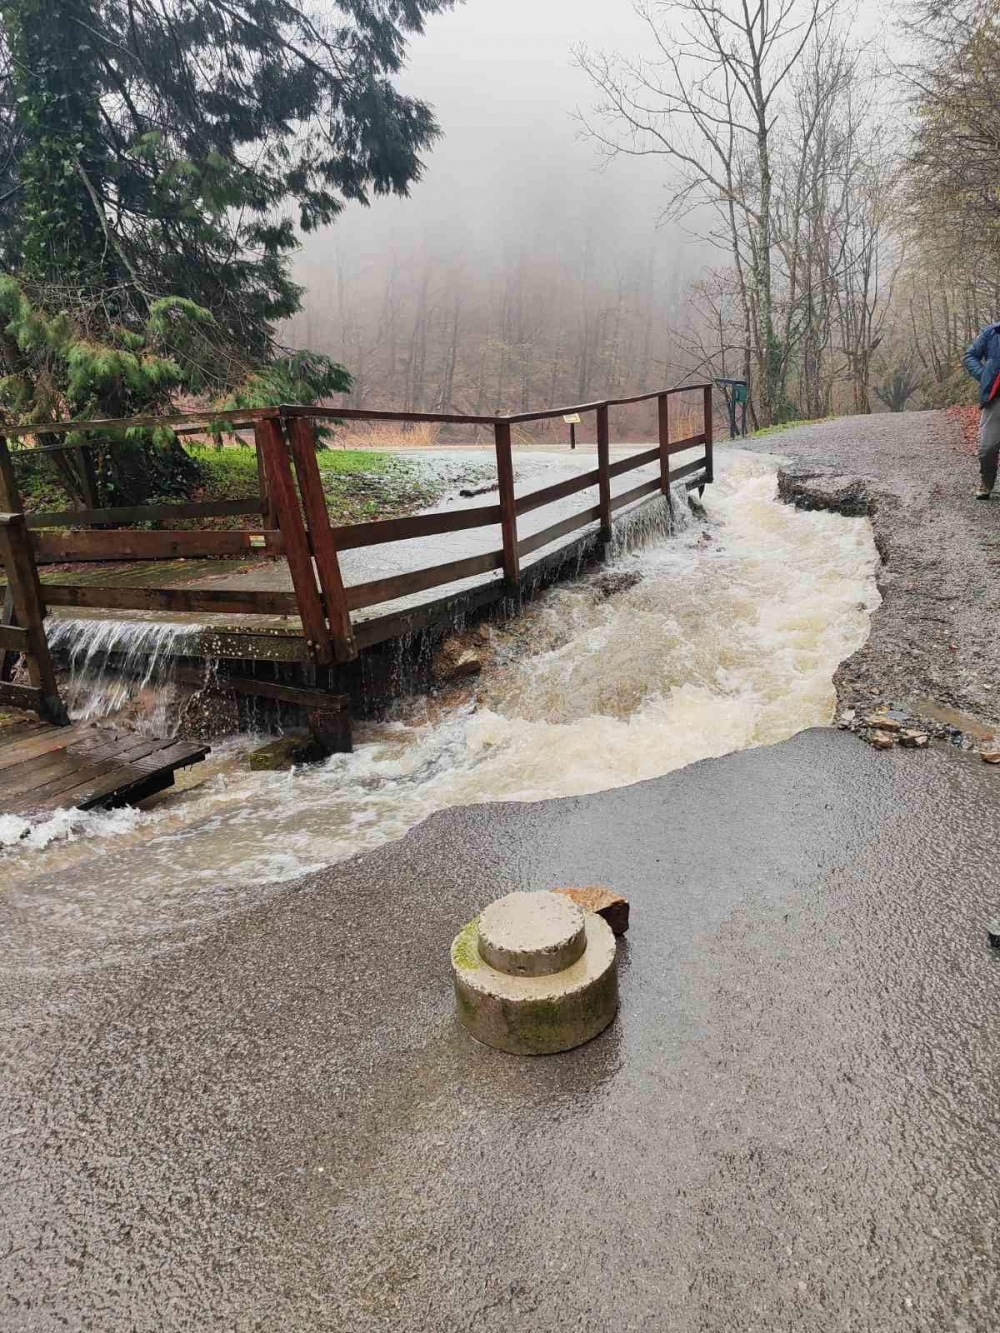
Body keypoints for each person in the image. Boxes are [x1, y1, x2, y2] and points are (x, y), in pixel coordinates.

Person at [963, 322, 1000, 497]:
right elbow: (970, 356)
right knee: (987, 448)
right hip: (995, 398)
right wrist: (984, 375)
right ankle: (986, 481)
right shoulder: (992, 332)